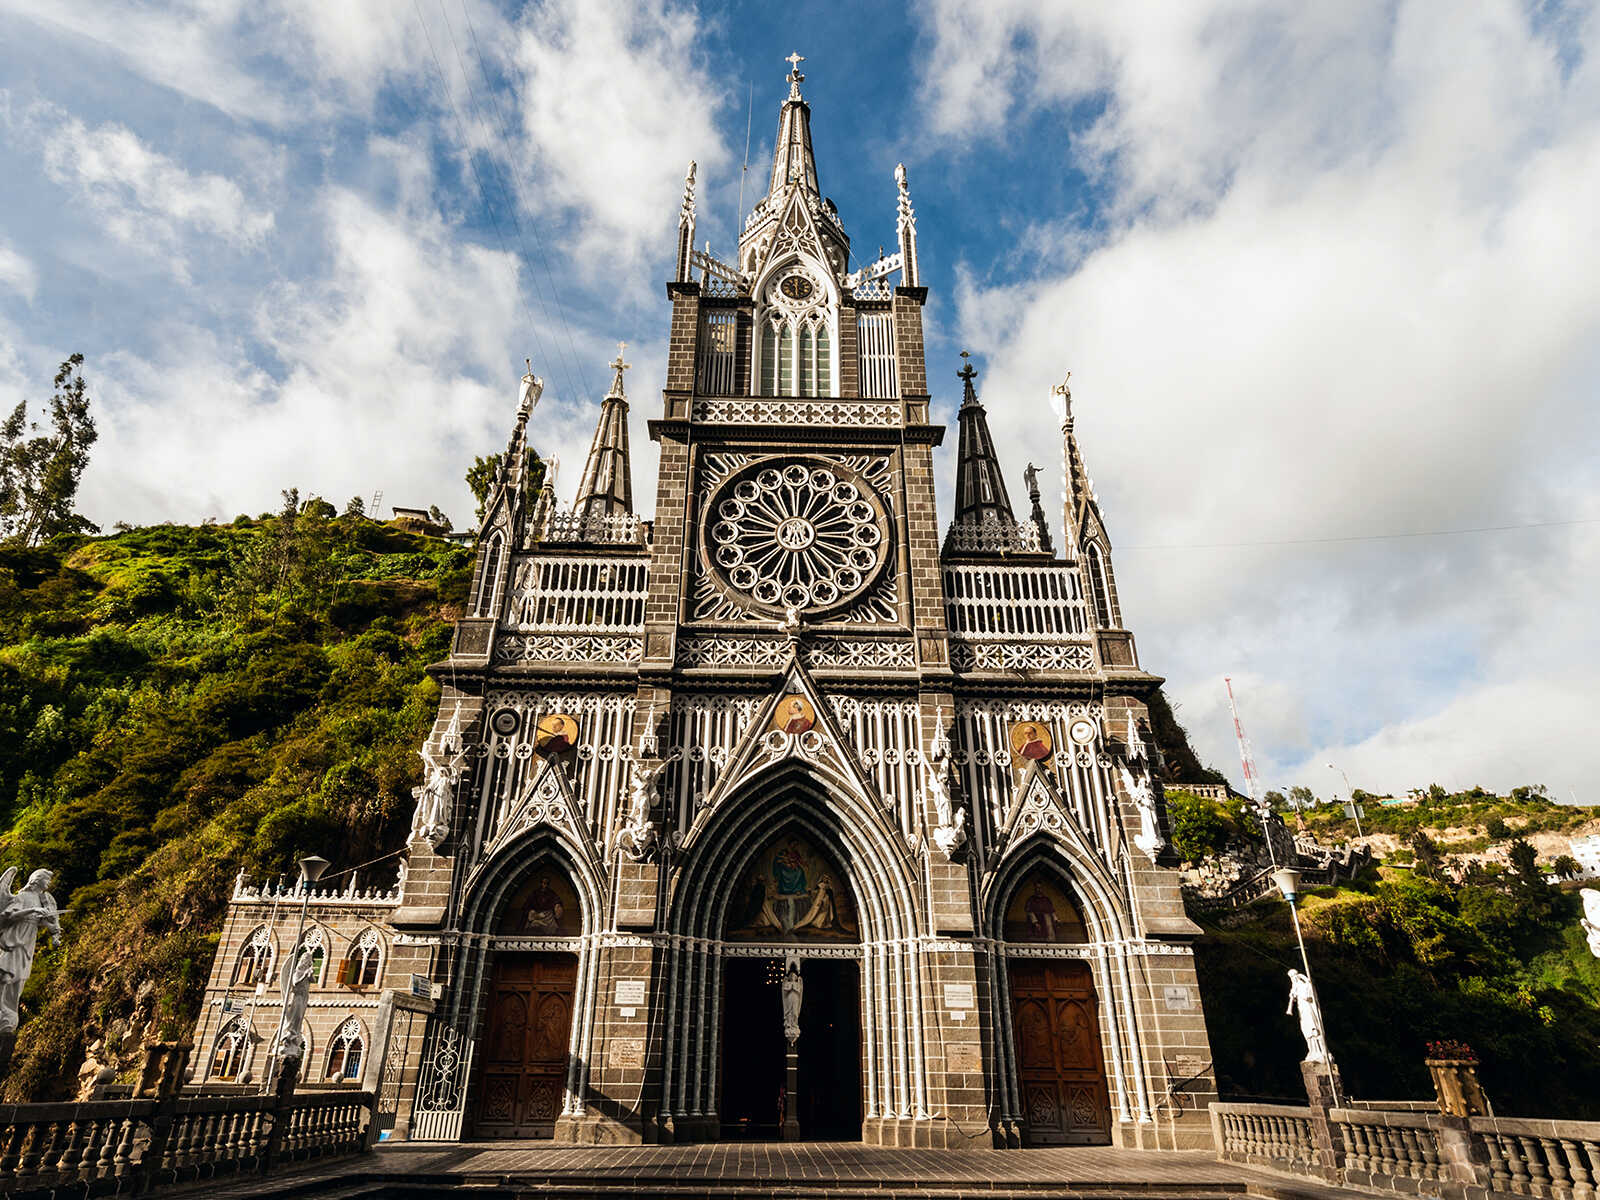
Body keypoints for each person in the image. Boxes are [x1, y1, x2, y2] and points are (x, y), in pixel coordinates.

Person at [0, 868, 61, 1034]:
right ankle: (3, 1013)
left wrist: (54, 932)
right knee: (7, 975)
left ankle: (9, 1017)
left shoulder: (42, 899)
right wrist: (32, 910)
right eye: (46, 880)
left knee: (20, 978)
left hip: (28, 942)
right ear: (36, 879)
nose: (49, 884)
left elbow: (48, 921)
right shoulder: (22, 896)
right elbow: (7, 916)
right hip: (16, 940)